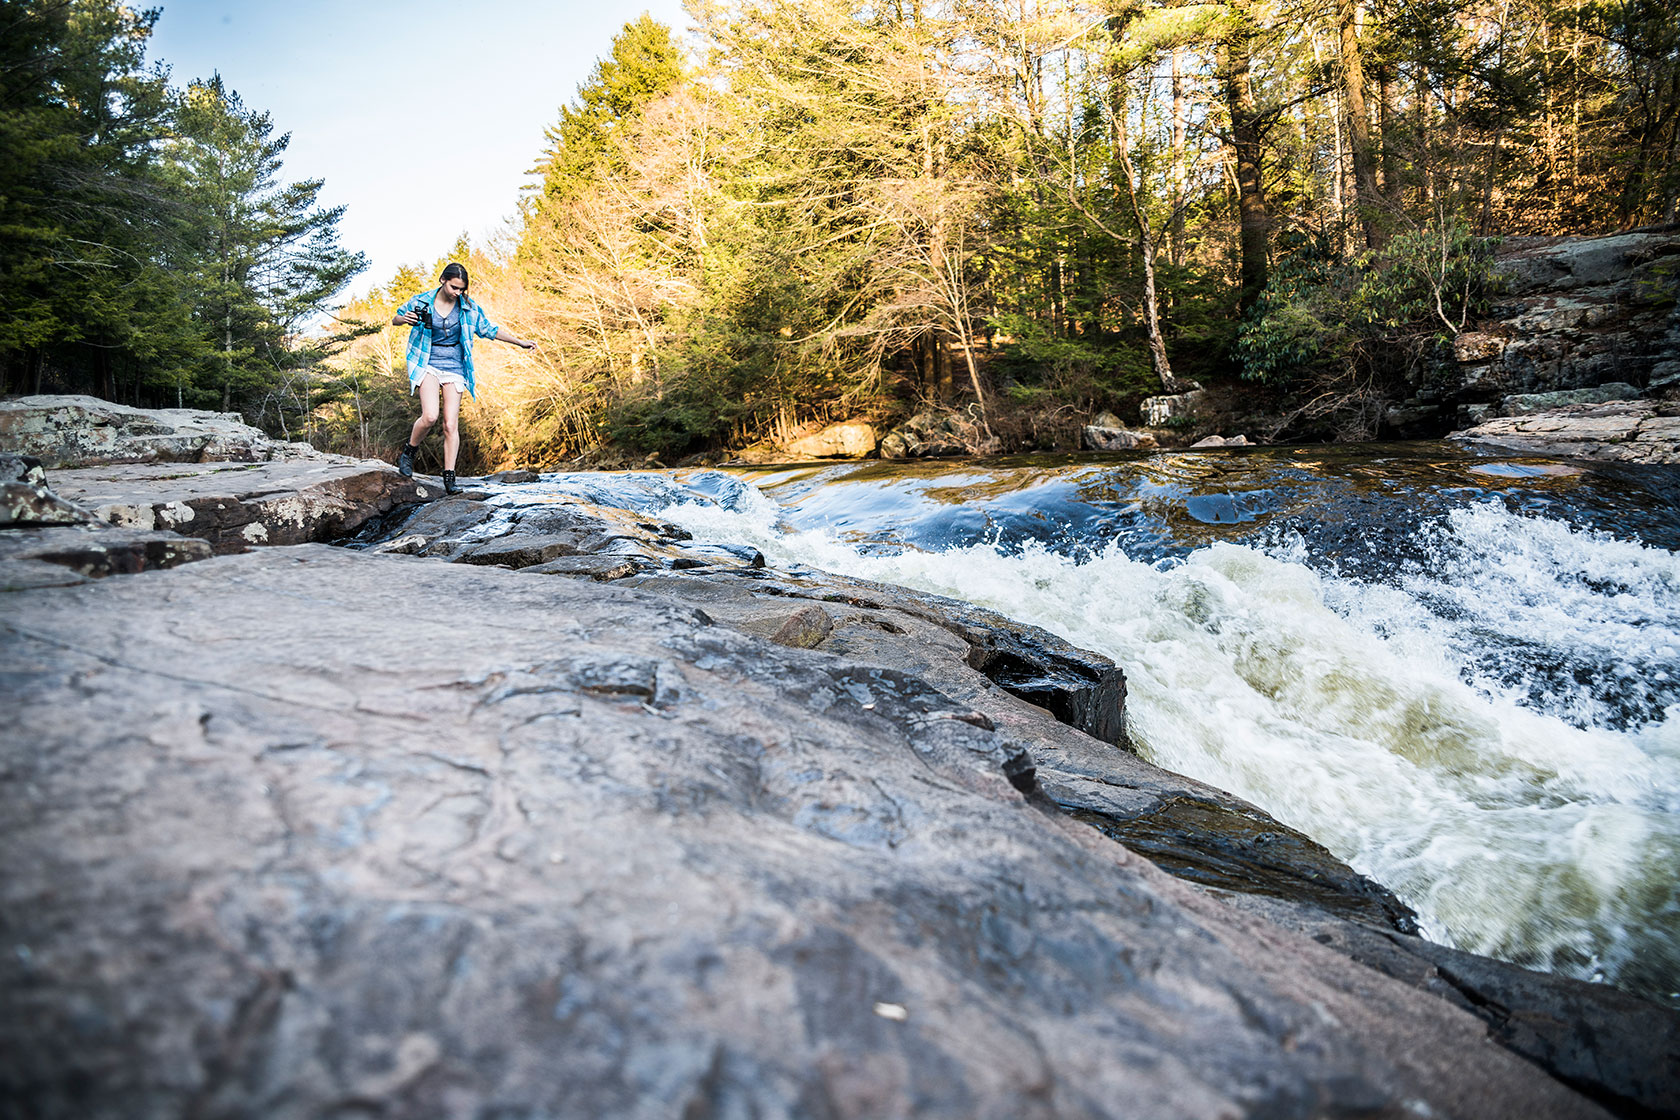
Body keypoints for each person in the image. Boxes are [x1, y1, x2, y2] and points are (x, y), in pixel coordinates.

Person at [390, 263, 536, 493]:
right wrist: (404, 319)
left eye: (461, 289)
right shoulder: (421, 301)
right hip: (427, 361)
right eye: (454, 287)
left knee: (450, 424)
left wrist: (519, 342)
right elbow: (395, 319)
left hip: (455, 365)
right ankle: (409, 451)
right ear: (442, 280)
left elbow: (490, 330)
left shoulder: (468, 308)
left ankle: (449, 477)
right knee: (430, 416)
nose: (457, 292)